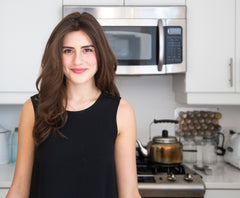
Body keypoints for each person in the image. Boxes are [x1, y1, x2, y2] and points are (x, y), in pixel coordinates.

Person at [6, 12, 141, 198]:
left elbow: (130, 194)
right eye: (68, 51)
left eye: (87, 50)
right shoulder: (34, 108)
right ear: (56, 56)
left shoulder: (121, 112)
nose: (78, 60)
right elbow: (20, 188)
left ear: (100, 54)